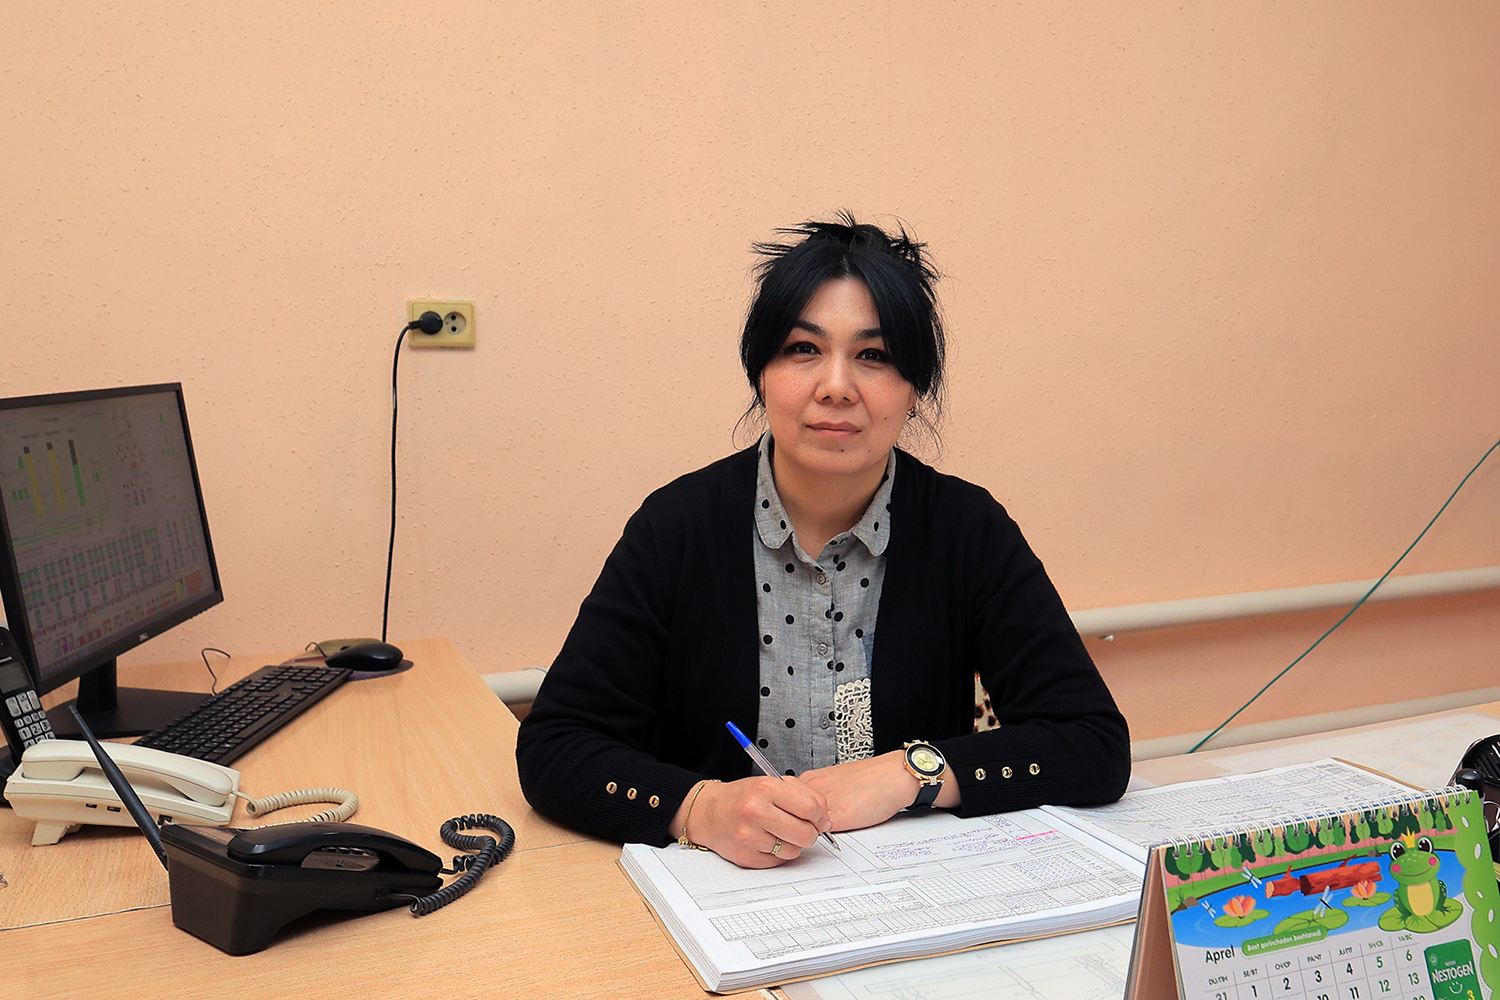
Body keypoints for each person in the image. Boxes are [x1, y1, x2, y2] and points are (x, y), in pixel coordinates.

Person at [516, 214, 1129, 869]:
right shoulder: (678, 525)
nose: (836, 387)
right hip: (717, 890)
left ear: (914, 388)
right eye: (803, 349)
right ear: (761, 372)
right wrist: (699, 808)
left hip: (909, 892)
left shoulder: (966, 528)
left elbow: (1091, 742)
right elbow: (557, 745)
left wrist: (911, 773)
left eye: (874, 356)